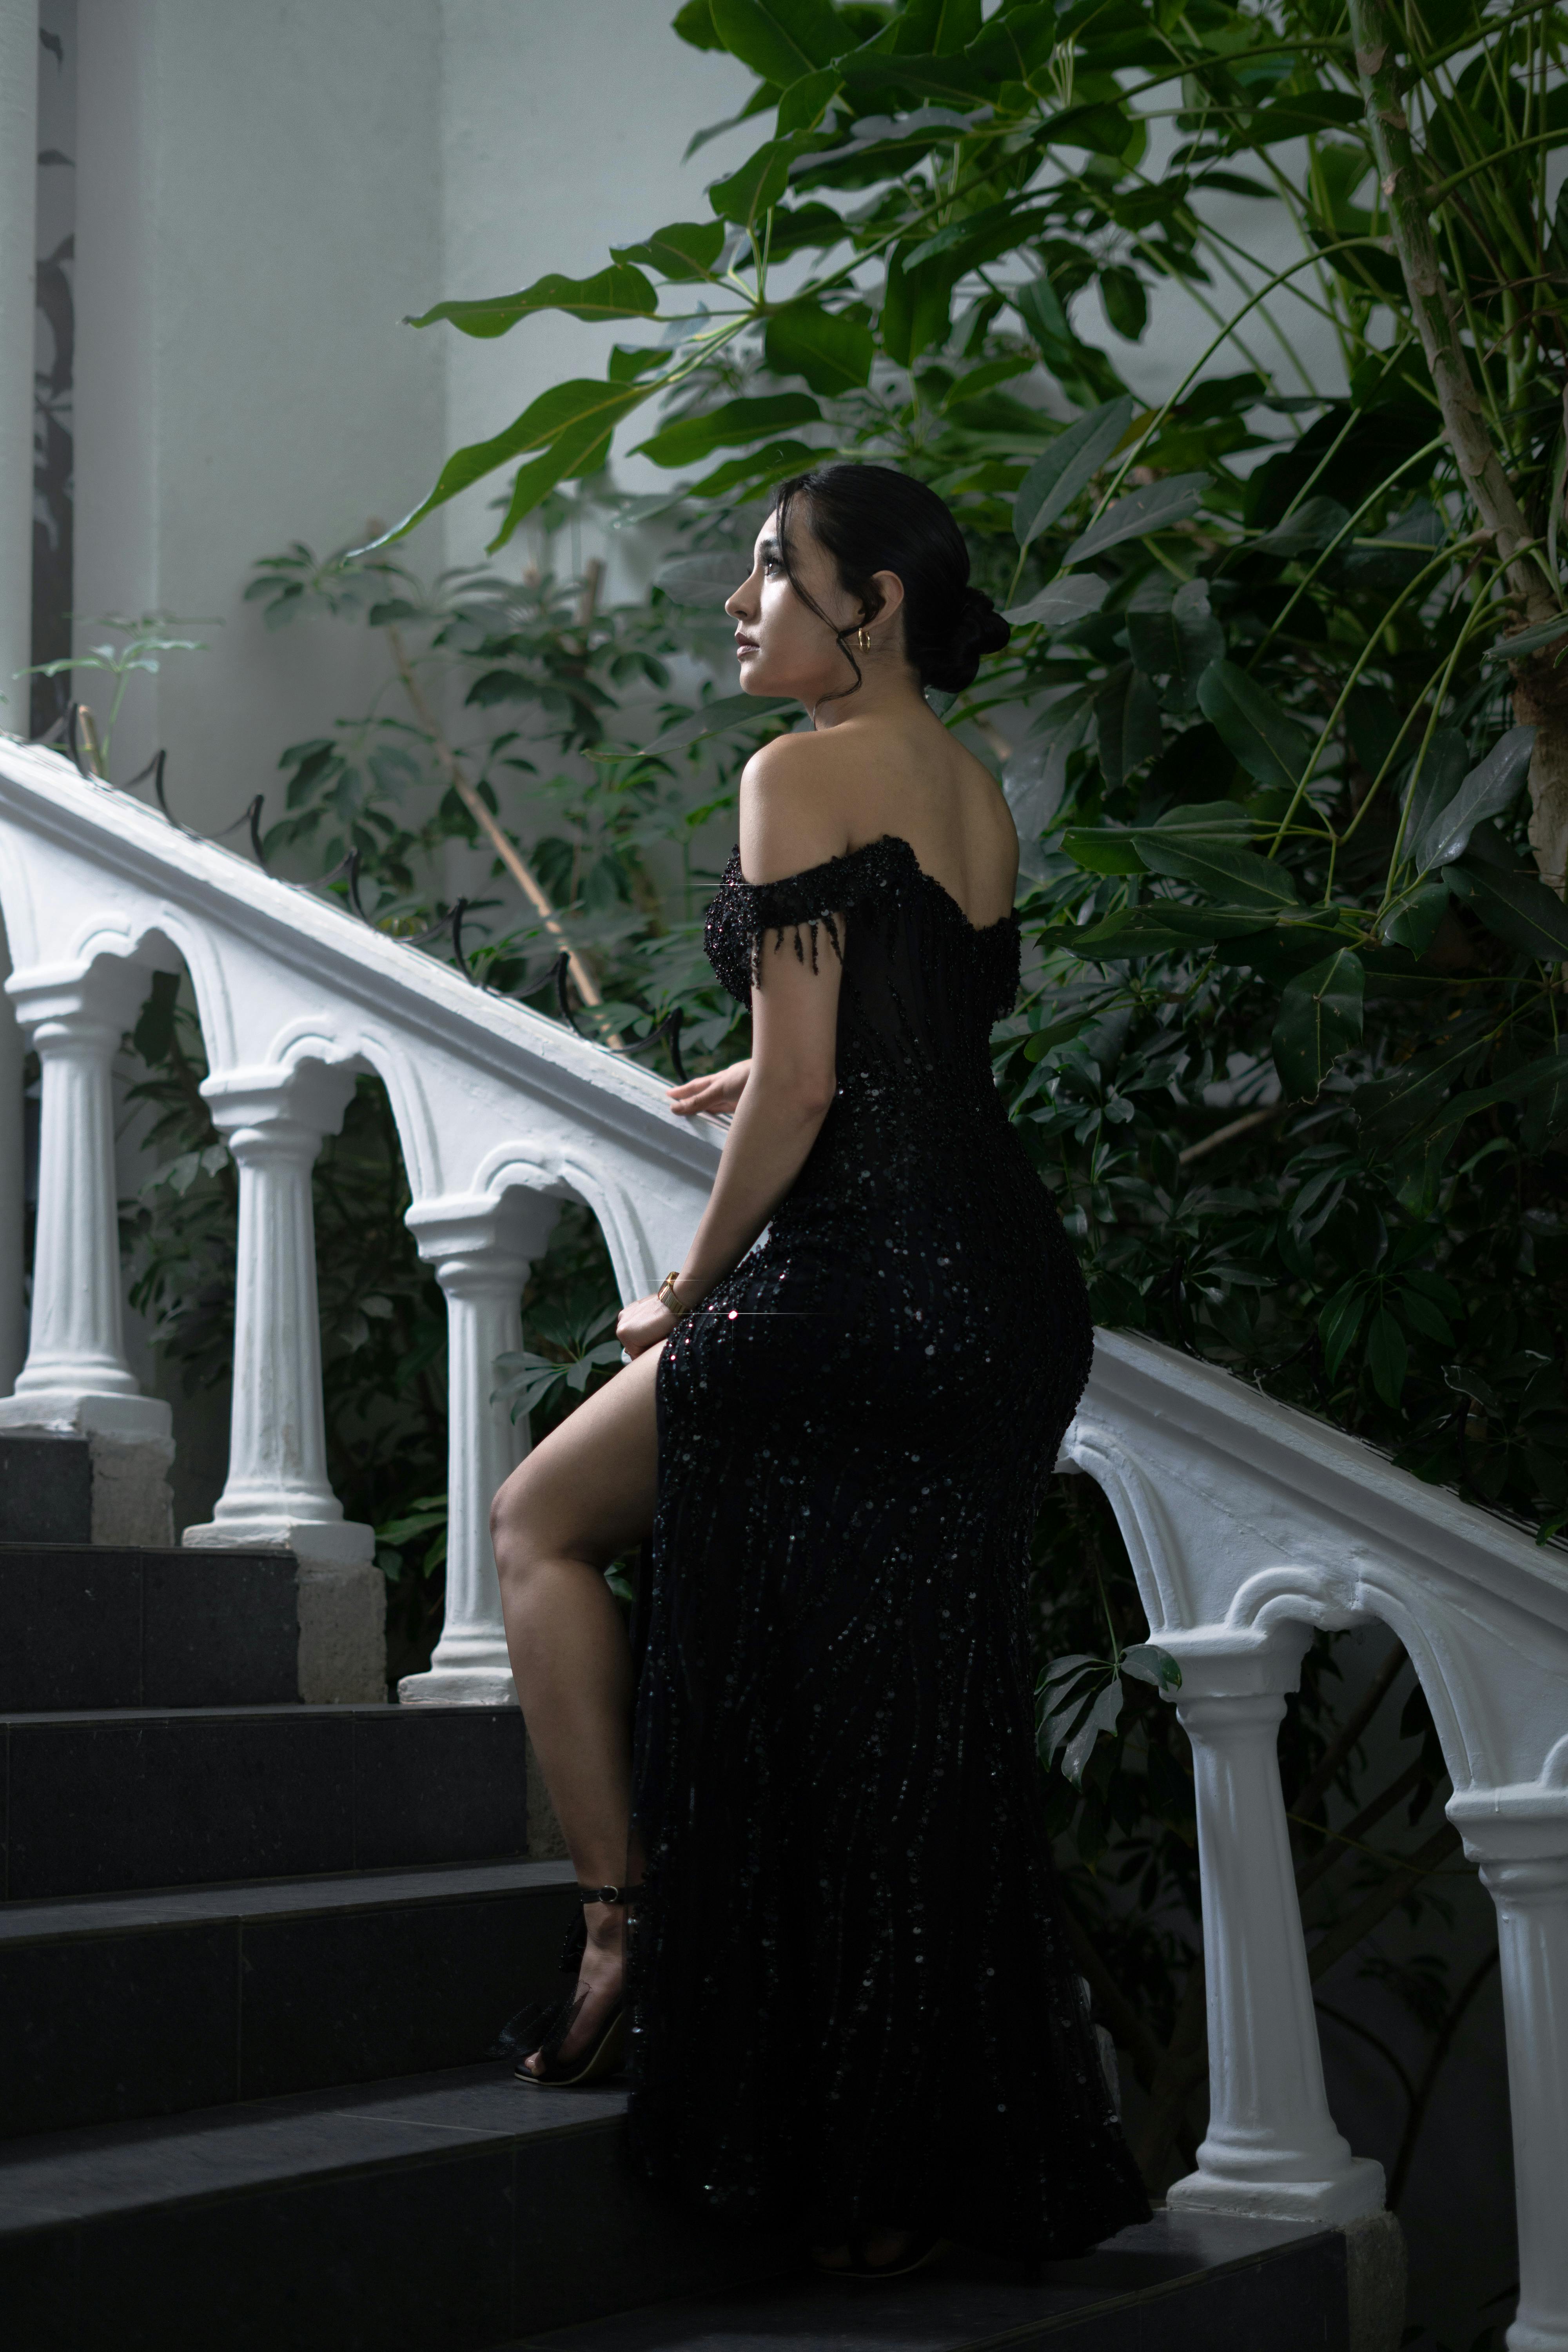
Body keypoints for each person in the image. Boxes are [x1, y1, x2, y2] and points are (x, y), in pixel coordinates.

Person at [490, 463, 1150, 2277]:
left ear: (865, 603)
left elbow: (803, 1089)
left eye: (769, 572)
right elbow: (903, 1041)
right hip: (1005, 1298)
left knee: (539, 1522)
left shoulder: (792, 773)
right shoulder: (971, 780)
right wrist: (777, 1082)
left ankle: (622, 1929)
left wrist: (688, 1292)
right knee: (907, 1723)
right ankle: (915, 2157)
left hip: (866, 1281)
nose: (737, 603)